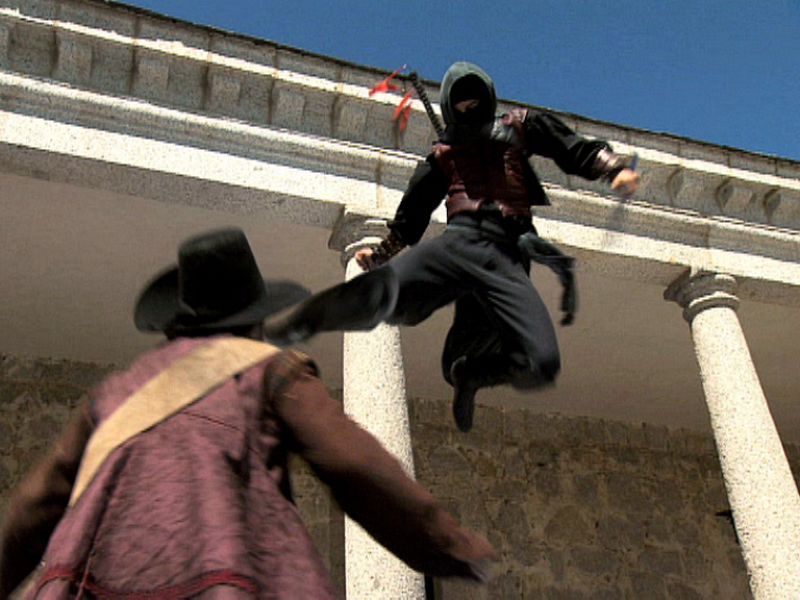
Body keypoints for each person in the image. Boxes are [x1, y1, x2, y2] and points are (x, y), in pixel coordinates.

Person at [0, 228, 496, 599]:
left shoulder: (115, 394)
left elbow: (35, 505)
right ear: (253, 321)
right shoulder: (267, 371)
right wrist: (449, 544)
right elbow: (354, 464)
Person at [264, 61, 639, 432]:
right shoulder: (443, 153)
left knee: (541, 363)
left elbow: (569, 146)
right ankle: (301, 320)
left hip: (506, 255)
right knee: (389, 297)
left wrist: (611, 168)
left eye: (473, 101)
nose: (467, 109)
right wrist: (381, 253)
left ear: (488, 98)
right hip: (459, 243)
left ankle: (471, 374)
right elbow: (414, 209)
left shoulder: (520, 126)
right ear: (448, 106)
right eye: (459, 104)